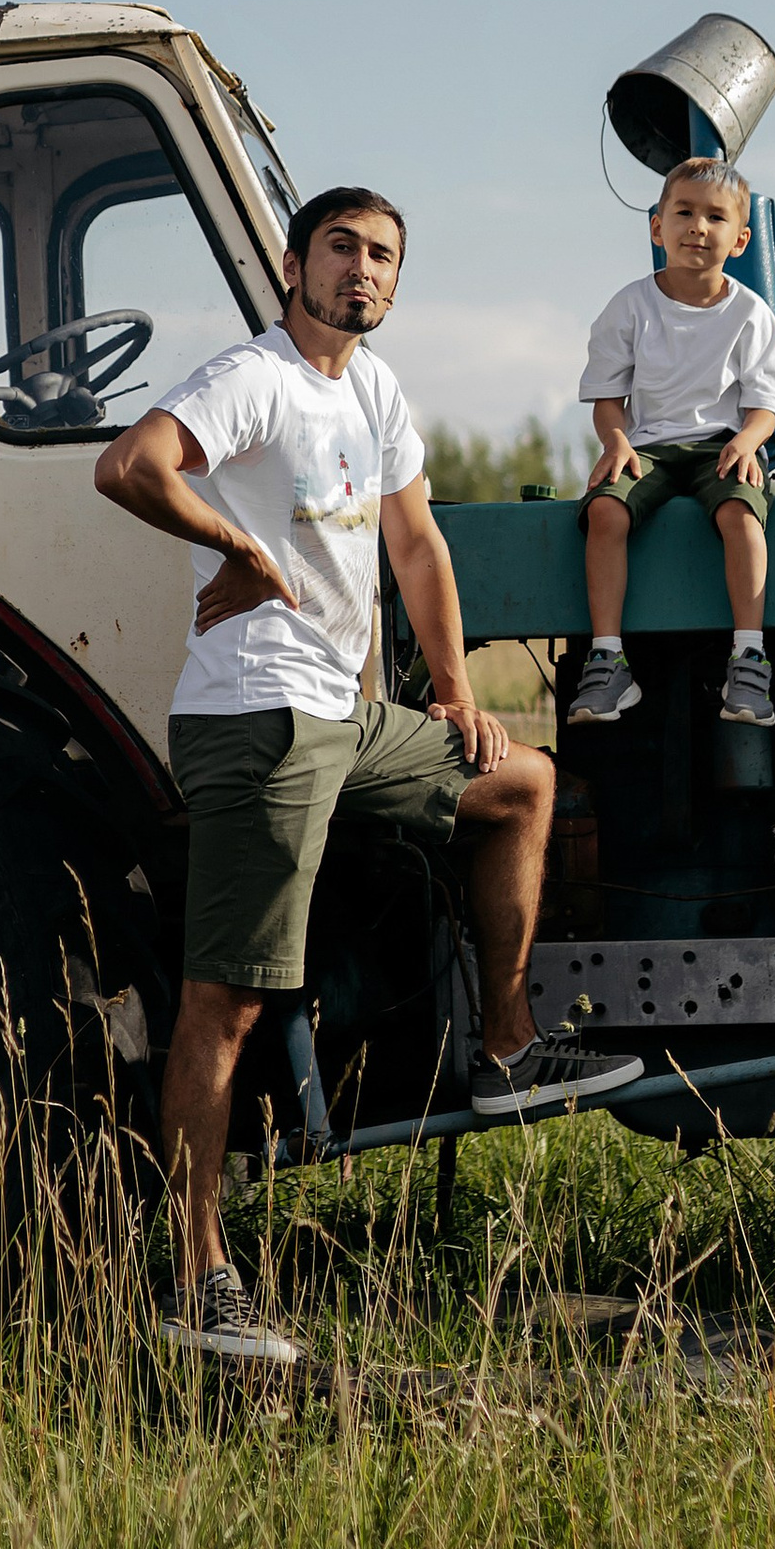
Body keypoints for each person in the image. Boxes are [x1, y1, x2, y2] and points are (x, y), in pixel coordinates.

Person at [93, 183, 642, 1365]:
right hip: (261, 719)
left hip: (348, 714)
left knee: (520, 786)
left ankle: (504, 1047)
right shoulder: (255, 377)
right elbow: (129, 465)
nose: (363, 272)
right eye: (341, 248)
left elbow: (416, 544)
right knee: (225, 1000)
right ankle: (198, 1278)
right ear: (295, 263)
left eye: (383, 256)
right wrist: (234, 543)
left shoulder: (375, 389)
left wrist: (449, 692)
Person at [571, 155, 775, 731]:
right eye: (685, 213)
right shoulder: (630, 307)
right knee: (604, 509)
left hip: (722, 443)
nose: (698, 226)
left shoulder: (750, 313)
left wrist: (749, 439)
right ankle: (607, 659)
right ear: (657, 227)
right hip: (645, 445)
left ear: (740, 239)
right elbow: (607, 396)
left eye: (715, 217)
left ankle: (748, 658)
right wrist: (616, 442)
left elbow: (767, 403)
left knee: (742, 512)